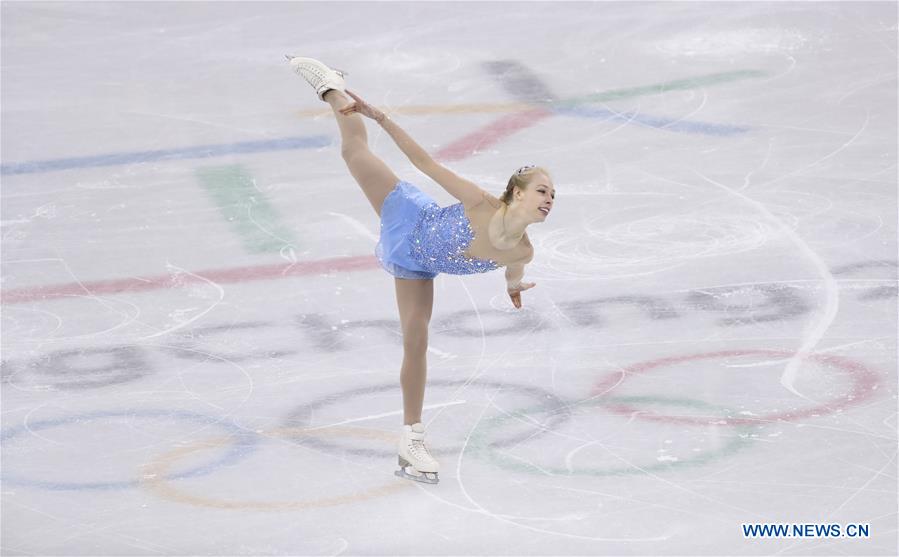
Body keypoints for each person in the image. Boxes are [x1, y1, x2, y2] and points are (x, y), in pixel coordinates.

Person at [288, 57, 555, 484]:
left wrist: (516, 286)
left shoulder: (523, 251)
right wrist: (379, 116)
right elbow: (426, 164)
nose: (549, 199)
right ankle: (331, 87)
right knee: (353, 149)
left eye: (553, 194)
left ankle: (411, 438)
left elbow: (513, 270)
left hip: (416, 267)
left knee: (416, 338)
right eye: (542, 191)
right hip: (408, 215)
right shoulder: (481, 204)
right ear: (517, 194)